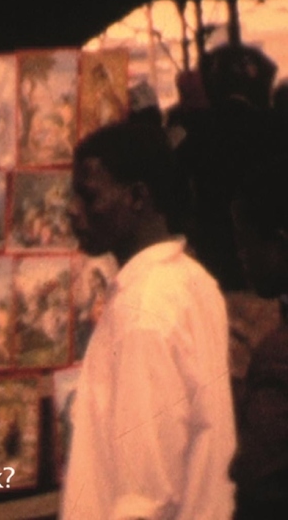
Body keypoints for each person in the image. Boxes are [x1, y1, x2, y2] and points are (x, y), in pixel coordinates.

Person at [61, 121, 236, 519]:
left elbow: (146, 494)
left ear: (137, 197)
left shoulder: (143, 308)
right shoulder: (193, 280)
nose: (72, 210)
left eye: (89, 196)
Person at [229, 154, 288, 519]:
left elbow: (256, 481)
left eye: (245, 241)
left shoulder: (276, 356)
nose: (241, 256)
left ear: (280, 244)